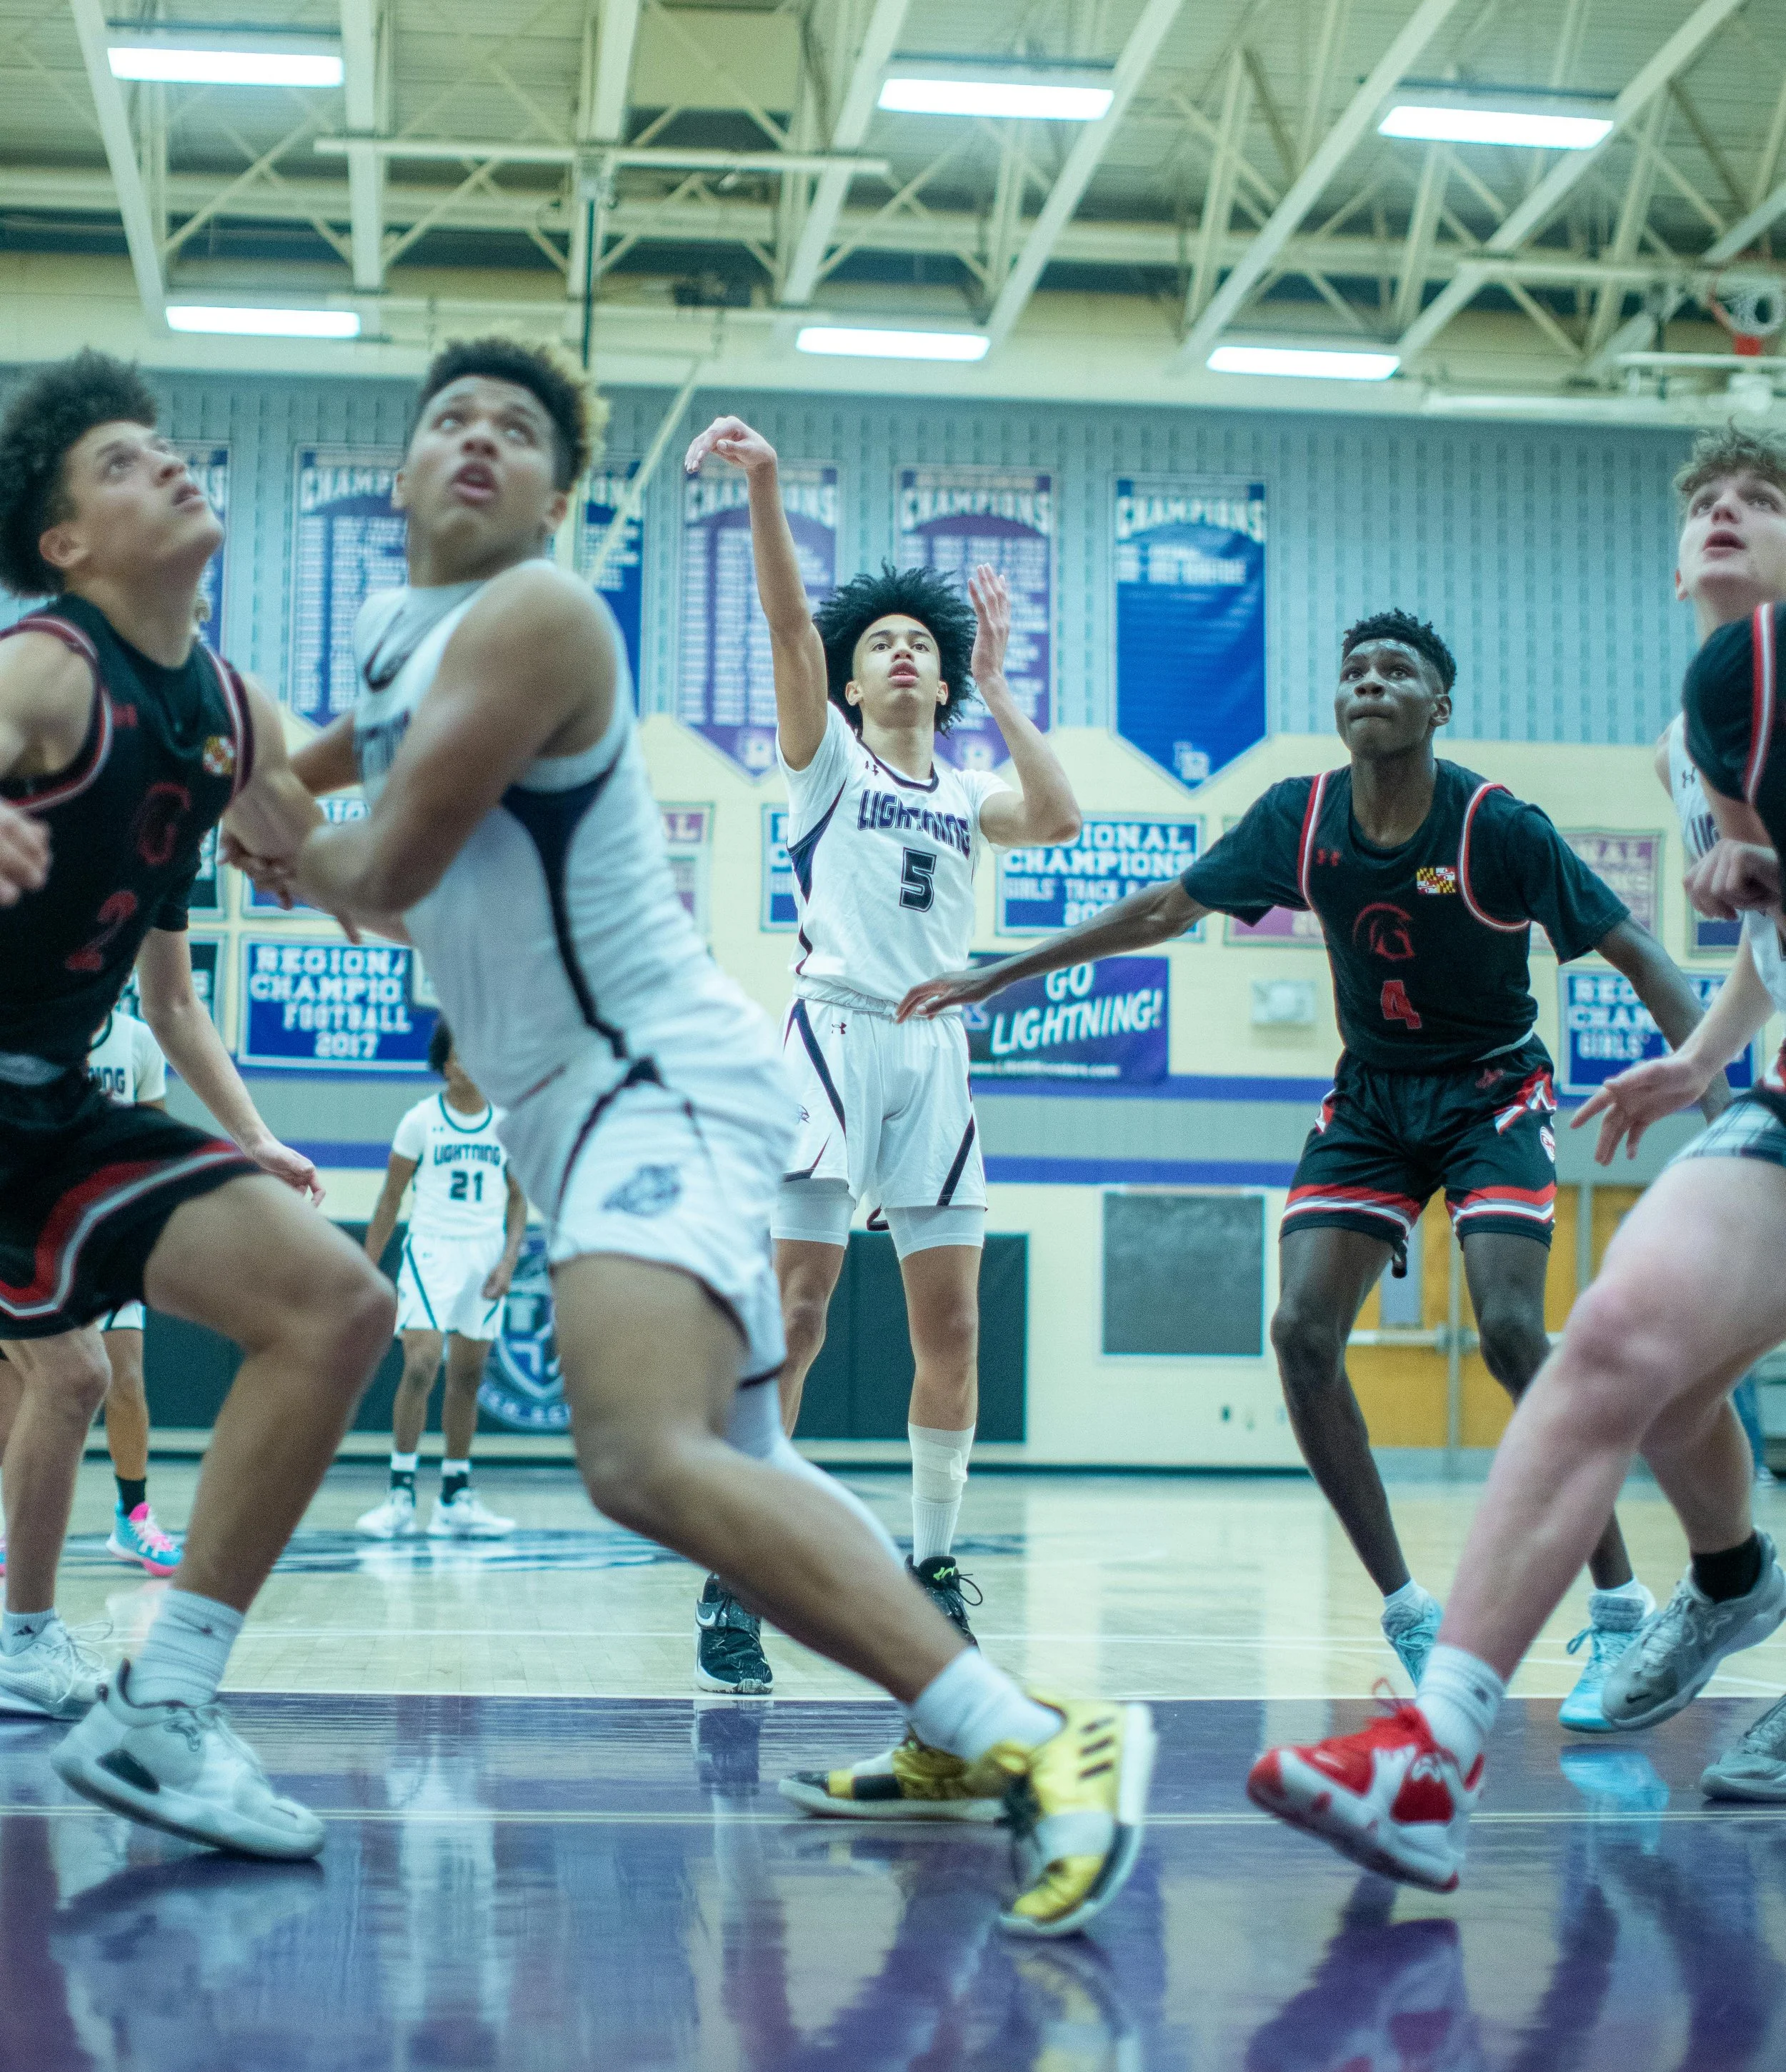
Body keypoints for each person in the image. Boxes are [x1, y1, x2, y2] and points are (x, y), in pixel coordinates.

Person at [227, 335, 1150, 1932]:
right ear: (396, 471)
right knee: (734, 1434)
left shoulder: (545, 626)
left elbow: (351, 858)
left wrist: (272, 834)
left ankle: (997, 1689)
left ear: (560, 490)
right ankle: (970, 1717)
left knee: (667, 1440)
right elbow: (288, 783)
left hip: (729, 1067)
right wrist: (200, 791)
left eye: (512, 424)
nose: (471, 437)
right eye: (445, 414)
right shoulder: (790, 749)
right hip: (802, 1040)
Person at [900, 606, 1710, 1714]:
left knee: (1515, 1328)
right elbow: (1164, 908)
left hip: (1491, 1091)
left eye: (1398, 671)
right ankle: (1412, 1614)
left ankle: (1619, 1607)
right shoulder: (1300, 816)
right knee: (1297, 1332)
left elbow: (1641, 953)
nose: (1371, 682)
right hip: (1372, 1101)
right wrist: (1003, 972)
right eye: (1355, 670)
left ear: (1440, 706)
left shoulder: (1496, 825)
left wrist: (1715, 1085)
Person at [1244, 423, 1786, 1886]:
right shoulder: (1697, 727)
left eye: (1758, 499)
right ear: (1677, 554)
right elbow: (1765, 939)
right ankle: (1446, 1740)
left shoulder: (1513, 807)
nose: (1724, 515)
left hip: (1493, 1084)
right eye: (1703, 503)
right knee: (1604, 1340)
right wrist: (1701, 1047)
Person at [0, 350, 394, 1843]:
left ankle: (163, 1709)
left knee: (338, 1304)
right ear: (66, 545)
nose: (163, 462)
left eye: (160, 444)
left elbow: (343, 856)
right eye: (116, 462)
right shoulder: (46, 666)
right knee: (73, 1380)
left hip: (48, 1108)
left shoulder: (224, 702)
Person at [678, 413, 1083, 1693]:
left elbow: (1062, 815)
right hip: (833, 1037)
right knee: (799, 1311)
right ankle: (736, 1572)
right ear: (851, 684)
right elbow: (792, 629)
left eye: (922, 643)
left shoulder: (967, 794)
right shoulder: (827, 768)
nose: (901, 653)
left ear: (943, 680)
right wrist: (769, 486)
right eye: (881, 646)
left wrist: (1006, 690)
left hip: (936, 1052)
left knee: (950, 1324)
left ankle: (935, 1560)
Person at [355, 1019, 525, 1540]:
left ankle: (455, 1495)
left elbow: (519, 1199)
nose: (461, 1065)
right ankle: (400, 1492)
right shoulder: (420, 1122)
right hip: (431, 1251)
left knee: (469, 1377)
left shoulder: (506, 1122)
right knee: (422, 1364)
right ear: (443, 1064)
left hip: (483, 1252)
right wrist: (364, 1267)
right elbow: (389, 1200)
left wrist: (508, 1261)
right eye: (453, 1057)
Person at [87, 1000, 183, 1573]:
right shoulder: (41, 1023)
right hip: (39, 1229)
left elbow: (153, 1139)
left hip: (113, 1232)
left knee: (126, 1380)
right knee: (22, 1393)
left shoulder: (139, 1041)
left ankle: (132, 1516)